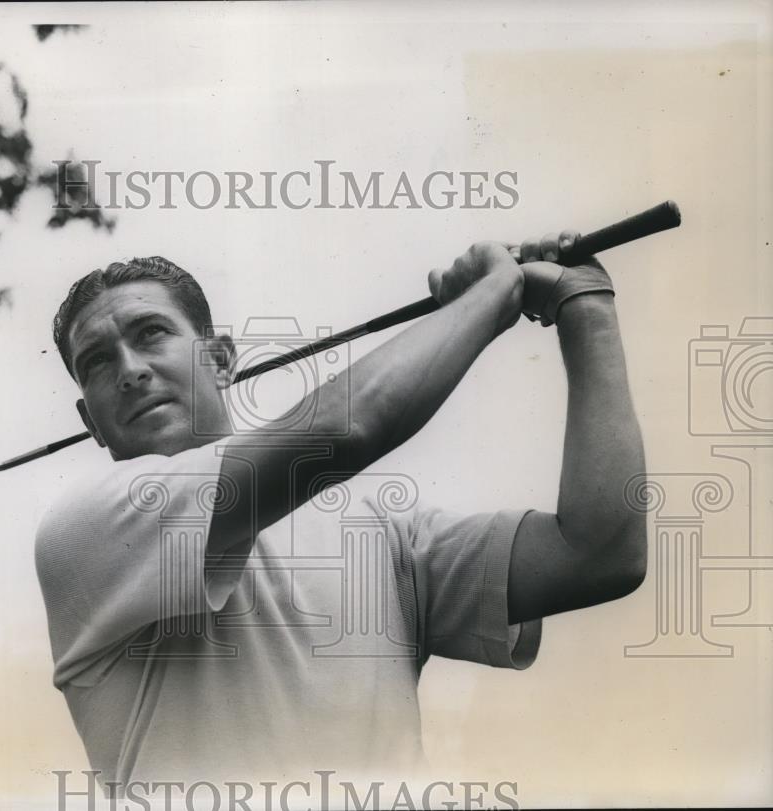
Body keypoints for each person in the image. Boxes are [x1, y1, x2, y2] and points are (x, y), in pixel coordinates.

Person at [34, 234, 647, 798]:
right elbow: (345, 429)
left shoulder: (374, 529)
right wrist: (493, 294)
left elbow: (598, 554)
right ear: (90, 421)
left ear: (221, 360)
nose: (130, 371)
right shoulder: (86, 527)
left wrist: (584, 308)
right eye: (97, 362)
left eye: (149, 333)